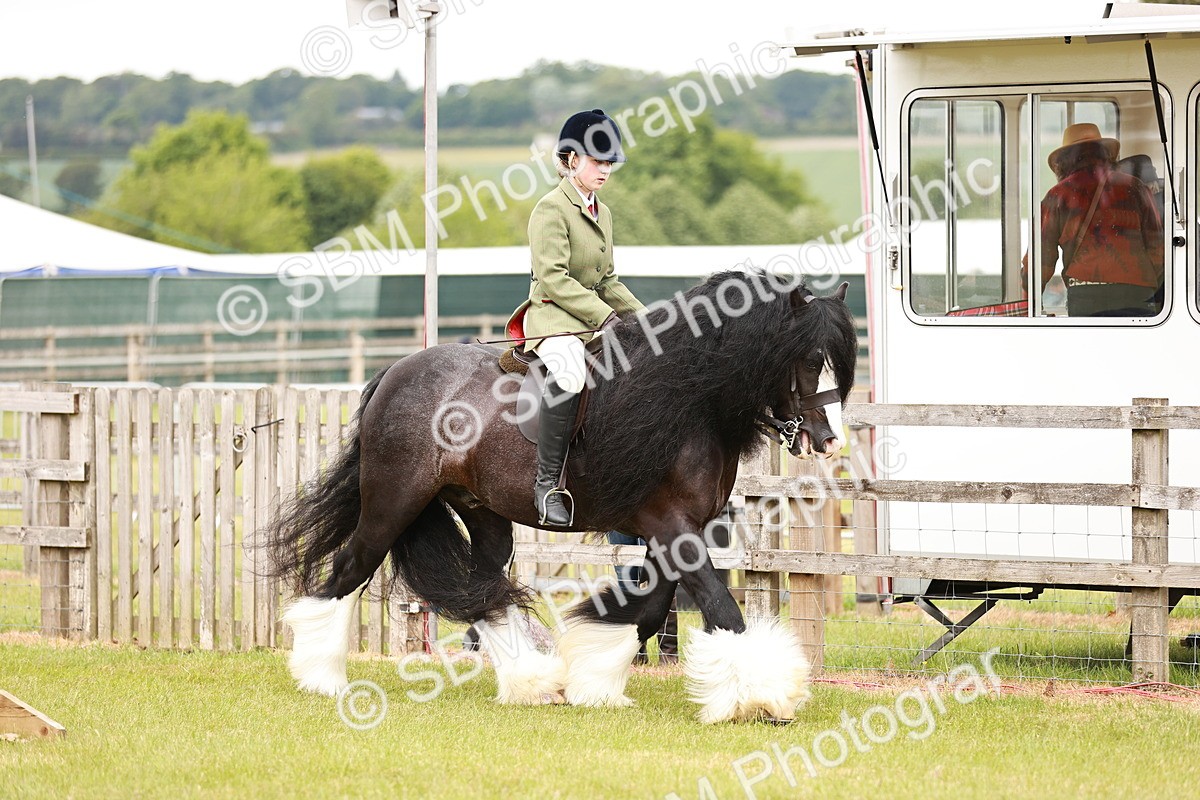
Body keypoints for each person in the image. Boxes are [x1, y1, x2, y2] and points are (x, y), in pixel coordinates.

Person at [508, 109, 645, 526]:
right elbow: (553, 279)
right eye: (597, 161)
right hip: (553, 320)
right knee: (569, 374)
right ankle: (547, 485)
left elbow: (608, 281)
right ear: (571, 159)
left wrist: (649, 320)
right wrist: (605, 317)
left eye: (609, 163)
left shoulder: (603, 212)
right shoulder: (551, 209)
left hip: (590, 320)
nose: (604, 170)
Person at [1024, 122, 1164, 317]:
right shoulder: (1136, 187)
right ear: (1105, 154)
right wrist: (1140, 281)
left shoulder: (1058, 195)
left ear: (1063, 161)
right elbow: (1158, 248)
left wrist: (1028, 301)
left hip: (1087, 295)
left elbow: (1040, 260)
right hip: (1136, 293)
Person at [605, 530, 678, 664]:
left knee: (663, 582)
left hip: (653, 519)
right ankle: (636, 655)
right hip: (618, 522)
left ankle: (668, 653)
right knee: (626, 584)